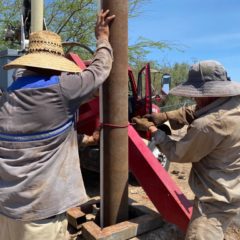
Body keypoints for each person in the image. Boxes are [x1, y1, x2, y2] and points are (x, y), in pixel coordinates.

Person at [0, 9, 115, 240]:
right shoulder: (62, 90)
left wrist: (87, 140)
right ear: (54, 63)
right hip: (40, 216)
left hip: (6, 211)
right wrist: (102, 38)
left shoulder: (8, 97)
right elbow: (100, 69)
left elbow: (39, 141)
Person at [132, 60, 240, 240]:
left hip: (213, 204)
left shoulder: (209, 125)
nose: (193, 98)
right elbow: (194, 110)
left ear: (209, 94)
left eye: (196, 95)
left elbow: (177, 153)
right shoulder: (231, 103)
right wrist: (163, 117)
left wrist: (152, 130)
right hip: (232, 189)